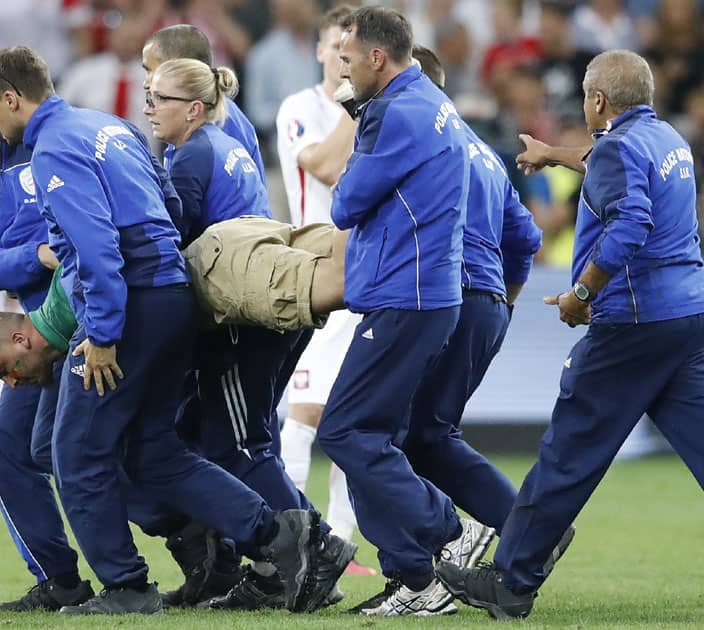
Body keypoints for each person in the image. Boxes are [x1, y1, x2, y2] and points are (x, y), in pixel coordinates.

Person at [0, 45, 337, 615]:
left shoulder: (53, 150)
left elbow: (95, 247)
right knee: (153, 449)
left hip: (131, 301)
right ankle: (281, 538)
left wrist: (101, 333)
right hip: (173, 292)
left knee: (73, 452)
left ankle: (127, 585)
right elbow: (166, 199)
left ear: (13, 98)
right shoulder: (109, 127)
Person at [436, 49, 704, 620]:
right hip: (687, 317)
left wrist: (583, 293)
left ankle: (511, 580)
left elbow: (632, 218)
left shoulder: (618, 148)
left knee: (568, 450)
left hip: (633, 320)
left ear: (598, 101)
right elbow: (609, 159)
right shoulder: (668, 141)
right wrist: (554, 155)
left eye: (586, 95)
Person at [144, 57, 355, 611]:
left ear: (192, 107)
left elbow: (173, 238)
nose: (148, 107)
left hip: (241, 309)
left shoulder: (190, 154)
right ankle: (271, 565)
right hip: (262, 293)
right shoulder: (227, 138)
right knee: (231, 441)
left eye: (158, 96)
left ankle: (318, 552)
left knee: (241, 446)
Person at [349, 46, 544, 617]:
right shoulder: (481, 150)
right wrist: (503, 301)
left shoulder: (420, 139)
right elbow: (526, 238)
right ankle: (529, 532)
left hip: (437, 295)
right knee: (429, 436)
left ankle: (418, 576)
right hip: (484, 302)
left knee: (374, 435)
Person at [314, 6, 485, 617]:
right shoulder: (429, 102)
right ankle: (418, 580)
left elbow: (347, 201)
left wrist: (359, 130)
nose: (343, 68)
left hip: (405, 295)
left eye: (348, 58)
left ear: (377, 59)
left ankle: (450, 530)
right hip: (422, 291)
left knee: (343, 430)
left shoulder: (395, 113)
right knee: (374, 438)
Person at [0, 70, 93, 612]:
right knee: (8, 445)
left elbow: (78, 227)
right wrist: (34, 255)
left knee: (98, 447)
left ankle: (201, 548)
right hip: (31, 340)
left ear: (6, 100)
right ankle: (59, 579)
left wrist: (37, 251)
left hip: (93, 320)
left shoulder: (53, 145)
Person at [274, 5, 369, 575]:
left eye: (350, 50)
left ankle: (339, 541)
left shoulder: (368, 108)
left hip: (366, 275)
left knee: (355, 415)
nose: (342, 58)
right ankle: (293, 538)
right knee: (304, 413)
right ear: (318, 49)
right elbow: (325, 168)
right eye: (335, 47)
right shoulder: (301, 109)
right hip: (315, 273)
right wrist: (355, 108)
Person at [141, 24, 265, 183]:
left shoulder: (219, 117)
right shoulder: (184, 115)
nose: (146, 82)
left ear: (179, 67)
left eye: (151, 70)